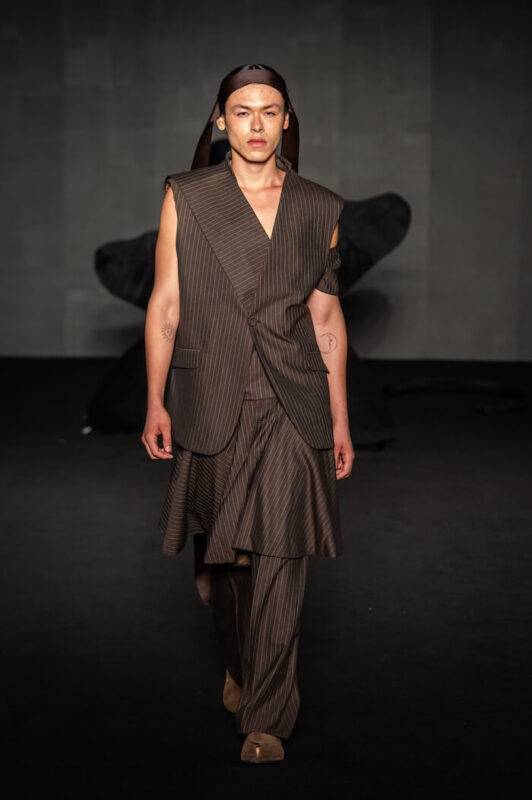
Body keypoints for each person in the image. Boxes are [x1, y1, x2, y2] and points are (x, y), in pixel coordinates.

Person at [141, 63, 355, 764]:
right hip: (213, 395)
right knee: (225, 563)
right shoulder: (188, 195)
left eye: (270, 111)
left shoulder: (319, 206)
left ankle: (269, 716)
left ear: (287, 120)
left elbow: (326, 320)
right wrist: (154, 400)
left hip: (293, 400)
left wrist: (340, 419)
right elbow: (167, 303)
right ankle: (237, 661)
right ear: (220, 121)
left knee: (281, 555)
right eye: (242, 111)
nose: (256, 125)